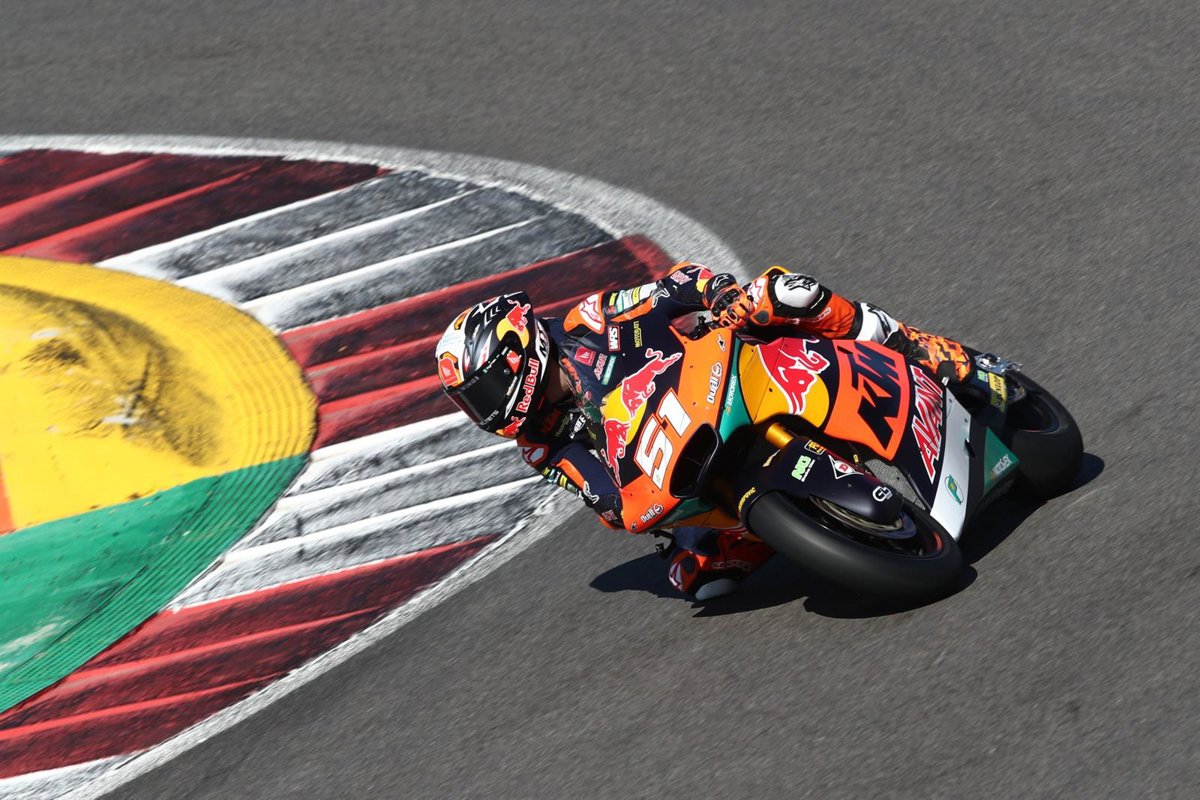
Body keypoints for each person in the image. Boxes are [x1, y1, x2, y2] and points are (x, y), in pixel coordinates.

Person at [435, 263, 971, 601]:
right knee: (695, 577)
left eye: (484, 390)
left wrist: (717, 295)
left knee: (785, 293)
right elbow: (608, 501)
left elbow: (673, 288)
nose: (483, 410)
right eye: (470, 403)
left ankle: (911, 346)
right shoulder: (539, 444)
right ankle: (780, 527)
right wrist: (627, 507)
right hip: (686, 460)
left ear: (516, 353)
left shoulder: (589, 322)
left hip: (728, 368)